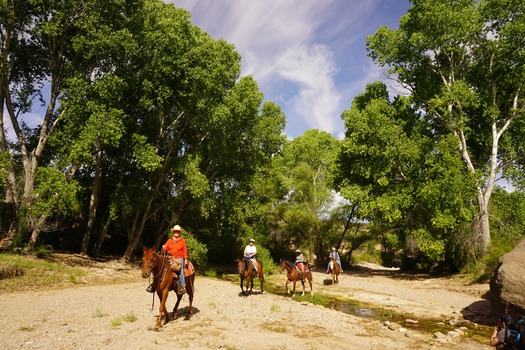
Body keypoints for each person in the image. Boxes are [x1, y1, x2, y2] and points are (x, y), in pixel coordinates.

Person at [162, 224, 188, 295]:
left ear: (180, 233)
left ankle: (183, 285)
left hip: (179, 257)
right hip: (170, 257)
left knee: (180, 270)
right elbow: (165, 249)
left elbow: (184, 251)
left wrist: (185, 259)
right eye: (175, 231)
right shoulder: (169, 240)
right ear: (173, 232)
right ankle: (156, 283)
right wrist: (164, 248)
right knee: (161, 266)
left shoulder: (182, 241)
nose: (176, 232)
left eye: (178, 231)